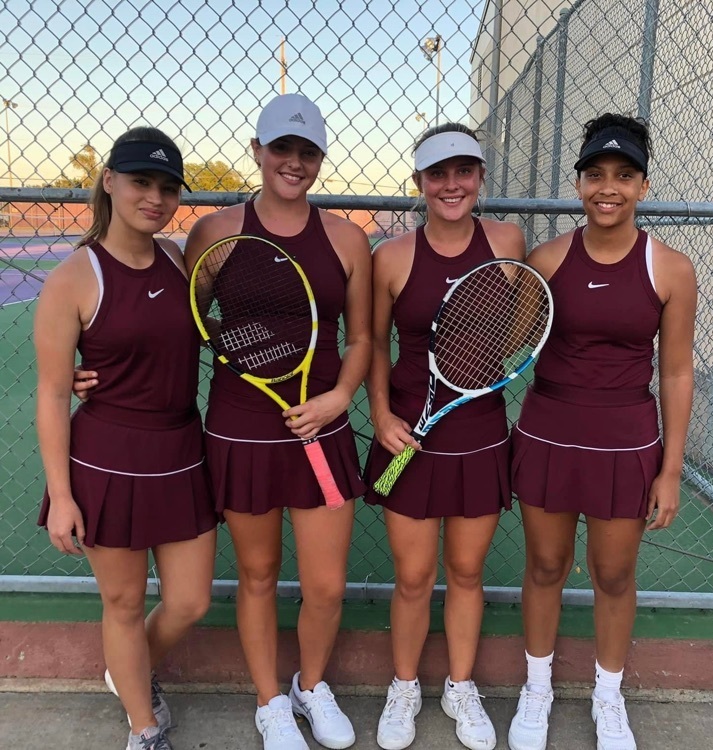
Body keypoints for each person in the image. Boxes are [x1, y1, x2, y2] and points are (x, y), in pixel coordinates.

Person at [183, 93, 372, 750]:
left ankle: (309, 686)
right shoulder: (213, 233)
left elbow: (362, 339)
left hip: (323, 429)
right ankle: (270, 702)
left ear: (320, 159)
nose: (294, 162)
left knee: (325, 585)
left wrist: (338, 397)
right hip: (241, 430)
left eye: (307, 151)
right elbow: (190, 322)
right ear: (258, 151)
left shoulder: (347, 239)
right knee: (258, 575)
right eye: (282, 148)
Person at [507, 114, 696, 750]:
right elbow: (509, 346)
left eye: (622, 175)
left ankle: (608, 697)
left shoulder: (672, 269)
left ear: (643, 186)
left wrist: (671, 470)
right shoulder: (546, 260)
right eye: (594, 174)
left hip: (627, 442)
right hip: (548, 433)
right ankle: (537, 688)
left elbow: (676, 372)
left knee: (613, 575)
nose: (607, 187)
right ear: (579, 184)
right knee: (545, 565)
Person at [36, 128, 218, 750]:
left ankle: (127, 670)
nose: (155, 198)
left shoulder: (179, 259)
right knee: (123, 602)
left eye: (168, 187)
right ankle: (144, 727)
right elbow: (53, 394)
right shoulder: (73, 278)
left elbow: (194, 330)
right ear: (109, 182)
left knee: (190, 601)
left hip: (181, 450)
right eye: (141, 181)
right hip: (106, 457)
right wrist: (62, 496)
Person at [364, 123, 526, 750]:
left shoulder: (508, 242)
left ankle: (461, 686)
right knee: (413, 577)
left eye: (464, 171)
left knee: (465, 572)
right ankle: (403, 686)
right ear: (419, 182)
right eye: (437, 173)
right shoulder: (391, 257)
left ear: (481, 177)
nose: (451, 184)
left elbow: (517, 330)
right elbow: (374, 344)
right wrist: (381, 414)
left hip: (480, 434)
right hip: (408, 435)